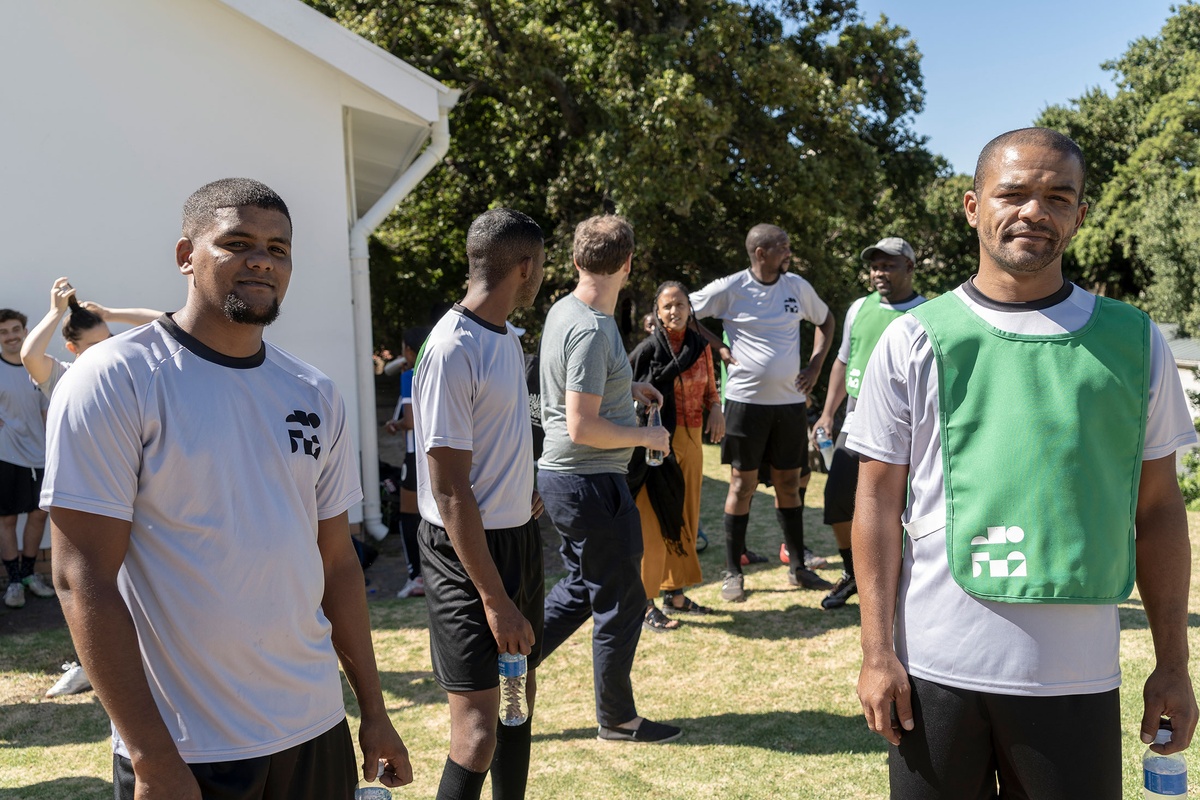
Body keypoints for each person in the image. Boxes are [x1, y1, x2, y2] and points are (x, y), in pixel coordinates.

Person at [853, 128, 1197, 798]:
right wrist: (877, 652)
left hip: (1075, 676)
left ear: (1080, 214)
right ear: (973, 206)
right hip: (935, 670)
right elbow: (876, 502)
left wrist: (1173, 665)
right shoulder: (914, 337)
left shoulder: (1135, 341)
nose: (1034, 211)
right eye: (1012, 193)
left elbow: (1158, 510)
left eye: (1058, 197)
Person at [42, 178, 411, 799]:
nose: (262, 260)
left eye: (278, 248)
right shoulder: (114, 379)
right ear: (186, 256)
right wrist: (151, 756)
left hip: (314, 729)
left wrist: (373, 711)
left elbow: (337, 563)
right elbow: (81, 578)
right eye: (237, 243)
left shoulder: (313, 393)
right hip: (188, 748)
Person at [412, 208, 546, 800]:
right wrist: (494, 600)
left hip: (518, 539)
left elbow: (494, 441)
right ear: (525, 267)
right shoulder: (451, 347)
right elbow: (448, 488)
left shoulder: (508, 339)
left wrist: (522, 486)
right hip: (464, 553)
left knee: (518, 704)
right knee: (477, 732)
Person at [538, 214, 681, 744]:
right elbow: (581, 426)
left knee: (583, 586)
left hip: (569, 481)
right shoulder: (593, 330)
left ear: (576, 260)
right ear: (628, 264)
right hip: (589, 481)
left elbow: (576, 393)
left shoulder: (566, 310)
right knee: (622, 600)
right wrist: (647, 437)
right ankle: (618, 720)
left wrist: (628, 390)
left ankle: (499, 666)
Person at [20, 276, 162, 697]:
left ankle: (147, 661)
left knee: (136, 580)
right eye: (95, 344)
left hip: (131, 492)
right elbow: (29, 355)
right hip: (84, 498)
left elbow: (163, 323)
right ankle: (89, 665)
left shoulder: (127, 376)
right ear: (72, 348)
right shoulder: (62, 377)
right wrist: (55, 312)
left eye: (110, 339)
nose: (107, 349)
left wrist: (111, 313)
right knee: (88, 582)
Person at [690, 224, 837, 602]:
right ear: (760, 253)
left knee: (790, 483)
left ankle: (798, 567)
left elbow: (826, 320)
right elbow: (684, 312)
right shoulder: (731, 288)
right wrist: (719, 347)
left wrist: (815, 366)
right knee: (742, 485)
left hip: (789, 405)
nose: (788, 253)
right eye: (782, 247)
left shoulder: (797, 287)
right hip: (745, 404)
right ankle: (733, 572)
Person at [810, 238, 924, 611]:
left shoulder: (927, 313)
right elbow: (843, 361)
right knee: (837, 500)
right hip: (857, 416)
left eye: (889, 265)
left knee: (899, 507)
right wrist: (828, 413)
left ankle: (899, 584)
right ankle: (853, 574)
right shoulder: (859, 308)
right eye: (875, 266)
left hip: (905, 421)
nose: (879, 273)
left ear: (909, 268)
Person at [627, 281, 725, 631]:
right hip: (656, 446)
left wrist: (717, 408)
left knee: (685, 517)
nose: (674, 311)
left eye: (680, 304)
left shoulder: (701, 347)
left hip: (693, 438)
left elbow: (711, 389)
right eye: (667, 306)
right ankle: (644, 602)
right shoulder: (647, 350)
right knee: (653, 522)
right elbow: (622, 391)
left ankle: (676, 593)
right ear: (657, 312)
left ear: (690, 309)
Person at [0, 309, 55, 610]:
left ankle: (29, 575)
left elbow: (48, 412)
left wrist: (55, 447)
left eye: (15, 330)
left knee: (38, 515)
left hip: (40, 454)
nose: (10, 336)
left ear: (24, 331)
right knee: (7, 518)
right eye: (3, 332)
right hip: (6, 455)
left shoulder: (37, 364)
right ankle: (13, 583)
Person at [384, 325, 431, 599]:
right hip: (438, 453)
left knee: (408, 516)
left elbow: (411, 421)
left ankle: (416, 577)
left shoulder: (409, 376)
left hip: (415, 457)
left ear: (410, 351)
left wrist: (396, 424)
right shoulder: (439, 371)